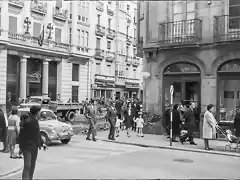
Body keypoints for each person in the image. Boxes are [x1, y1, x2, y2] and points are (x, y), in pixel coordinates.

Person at [19, 106, 47, 180]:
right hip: (28, 147)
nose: (39, 114)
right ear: (37, 113)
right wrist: (21, 147)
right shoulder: (29, 121)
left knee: (31, 165)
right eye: (39, 112)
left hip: (33, 147)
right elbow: (22, 135)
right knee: (28, 166)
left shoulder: (34, 120)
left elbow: (37, 134)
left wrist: (42, 143)